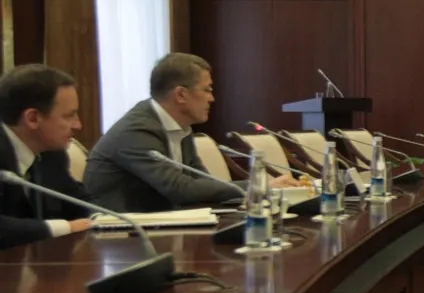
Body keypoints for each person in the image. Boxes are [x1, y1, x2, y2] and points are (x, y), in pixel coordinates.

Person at [85, 54, 301, 212]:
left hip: (161, 224)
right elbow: (179, 188)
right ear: (181, 94)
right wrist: (257, 186)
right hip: (121, 234)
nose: (212, 98)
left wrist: (256, 190)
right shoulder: (136, 130)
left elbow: (201, 180)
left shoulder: (181, 126)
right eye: (207, 90)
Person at [0, 64, 93, 249]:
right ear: (33, 118)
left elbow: (81, 204)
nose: (78, 125)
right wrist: (63, 227)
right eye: (69, 116)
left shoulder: (52, 154)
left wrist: (110, 219)